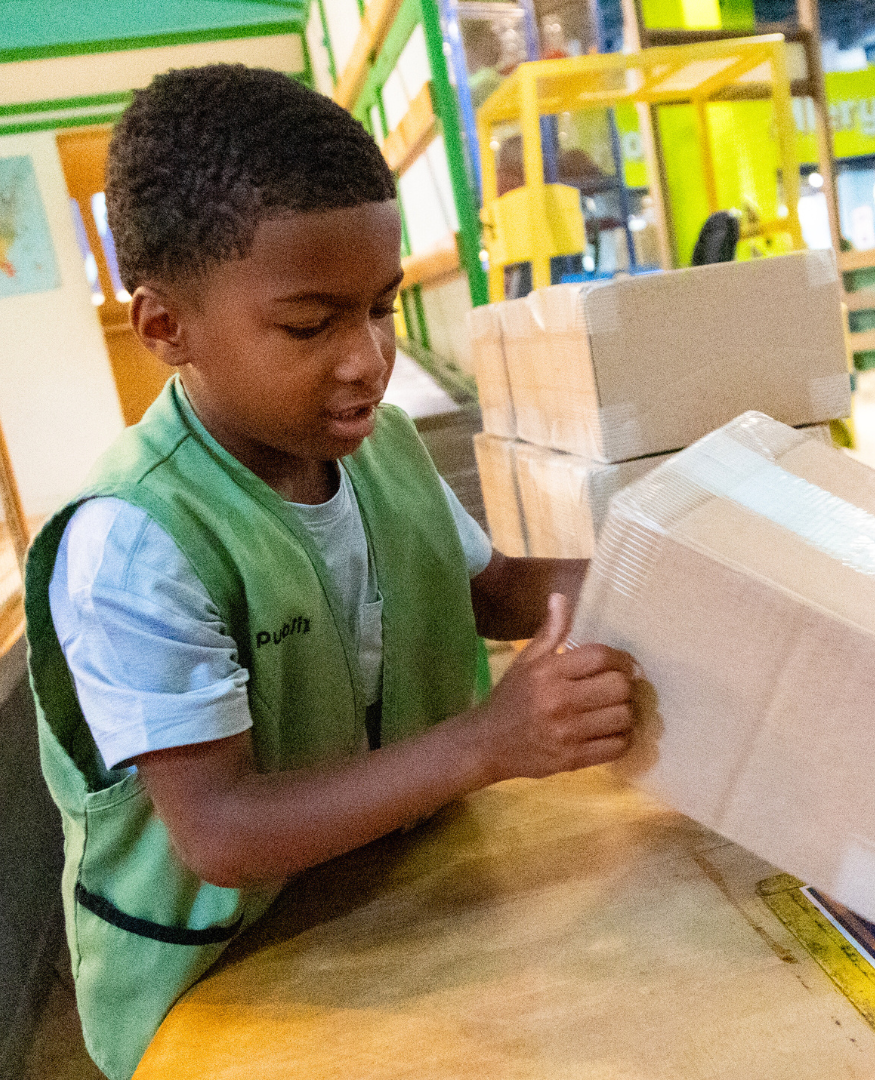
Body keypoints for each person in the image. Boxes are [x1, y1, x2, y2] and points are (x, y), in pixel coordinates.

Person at [24, 64, 635, 1080]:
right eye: (310, 325)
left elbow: (496, 590)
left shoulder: (380, 445)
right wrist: (491, 741)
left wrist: (660, 553)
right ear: (166, 327)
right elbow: (220, 832)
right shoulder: (133, 541)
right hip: (226, 994)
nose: (367, 358)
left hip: (393, 905)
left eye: (382, 308)